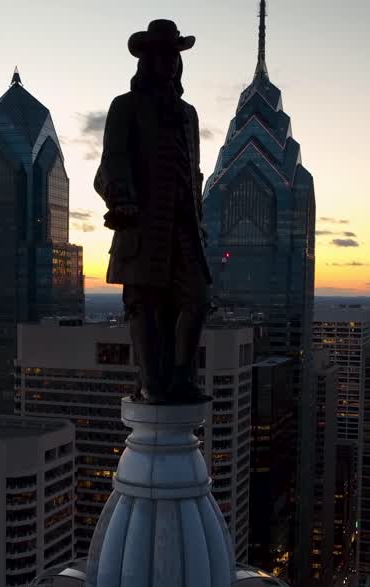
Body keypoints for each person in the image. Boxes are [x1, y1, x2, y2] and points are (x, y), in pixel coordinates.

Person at [95, 18, 212, 404]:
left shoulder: (189, 114)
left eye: (175, 56)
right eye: (162, 55)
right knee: (144, 304)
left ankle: (181, 376)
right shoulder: (125, 107)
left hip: (185, 228)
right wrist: (122, 199)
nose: (170, 63)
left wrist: (199, 217)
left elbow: (194, 172)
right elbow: (112, 160)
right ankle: (151, 380)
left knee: (196, 298)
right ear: (146, 61)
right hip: (144, 227)